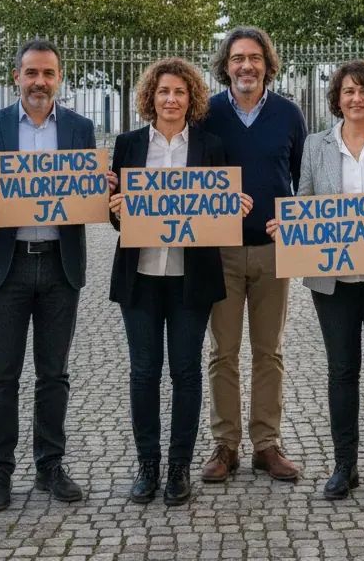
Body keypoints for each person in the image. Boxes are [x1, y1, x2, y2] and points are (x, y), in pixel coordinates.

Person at [265, 60, 364, 503]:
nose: (357, 98)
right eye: (349, 91)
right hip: (331, 279)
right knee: (341, 371)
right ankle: (344, 466)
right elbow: (305, 202)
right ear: (337, 98)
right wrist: (288, 226)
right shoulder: (316, 146)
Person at [0, 39, 116, 511]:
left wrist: (101, 186)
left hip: (59, 263)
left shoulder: (78, 127)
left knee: (54, 374)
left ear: (59, 78)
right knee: (2, 374)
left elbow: (85, 198)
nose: (39, 82)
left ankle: (50, 465)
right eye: (31, 73)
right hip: (7, 264)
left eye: (48, 74)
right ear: (16, 77)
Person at [108, 58, 252, 506]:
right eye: (164, 92)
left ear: (192, 99)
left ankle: (178, 467)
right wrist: (114, 210)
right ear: (150, 97)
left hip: (191, 278)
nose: (171, 99)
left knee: (186, 373)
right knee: (144, 373)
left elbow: (216, 216)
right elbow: (118, 218)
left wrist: (235, 209)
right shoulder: (129, 145)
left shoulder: (210, 146)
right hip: (142, 276)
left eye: (180, 92)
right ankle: (147, 465)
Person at [200, 26, 308, 484]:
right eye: (238, 58)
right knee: (222, 352)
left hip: (272, 251)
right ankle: (225, 444)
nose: (246, 66)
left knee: (270, 352)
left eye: (255, 58)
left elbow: (302, 180)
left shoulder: (288, 114)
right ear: (226, 64)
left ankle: (267, 444)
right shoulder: (206, 112)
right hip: (219, 250)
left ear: (268, 64)